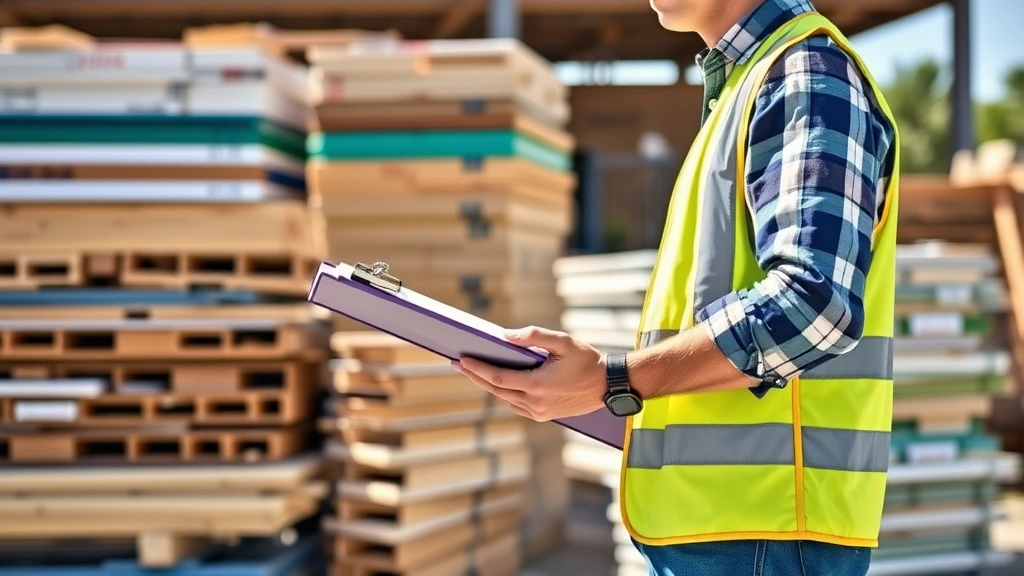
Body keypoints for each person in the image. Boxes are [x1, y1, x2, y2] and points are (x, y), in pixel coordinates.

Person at [454, 0, 899, 574]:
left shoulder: (805, 73)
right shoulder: (751, 82)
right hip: (731, 530)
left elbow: (814, 307)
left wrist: (612, 380)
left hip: (764, 536)